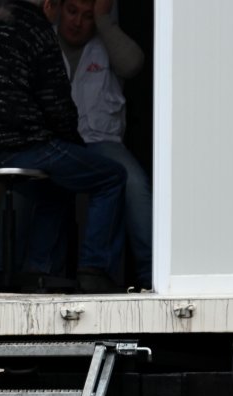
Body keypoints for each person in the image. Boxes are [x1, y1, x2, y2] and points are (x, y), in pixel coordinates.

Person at [0, 0, 126, 294]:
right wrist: (75, 147)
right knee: (112, 176)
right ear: (49, 6)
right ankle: (94, 271)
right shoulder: (38, 30)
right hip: (24, 141)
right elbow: (57, 104)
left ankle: (38, 275)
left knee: (56, 189)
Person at [46, 0, 152, 290]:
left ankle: (151, 278)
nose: (77, 21)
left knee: (136, 185)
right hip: (58, 143)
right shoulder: (44, 42)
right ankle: (26, 274)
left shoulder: (106, 42)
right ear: (58, 8)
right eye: (72, 11)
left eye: (88, 15)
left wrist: (105, 22)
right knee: (24, 189)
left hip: (101, 142)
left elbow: (133, 64)